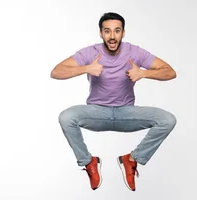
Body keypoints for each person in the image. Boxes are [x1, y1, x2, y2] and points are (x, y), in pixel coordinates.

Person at [50, 12, 177, 191]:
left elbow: (170, 71)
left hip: (126, 114)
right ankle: (89, 162)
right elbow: (56, 71)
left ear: (123, 33)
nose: (112, 36)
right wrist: (86, 68)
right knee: (66, 117)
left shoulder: (134, 52)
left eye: (117, 31)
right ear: (101, 33)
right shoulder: (91, 52)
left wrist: (144, 73)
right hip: (97, 113)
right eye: (107, 31)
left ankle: (131, 160)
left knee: (167, 120)